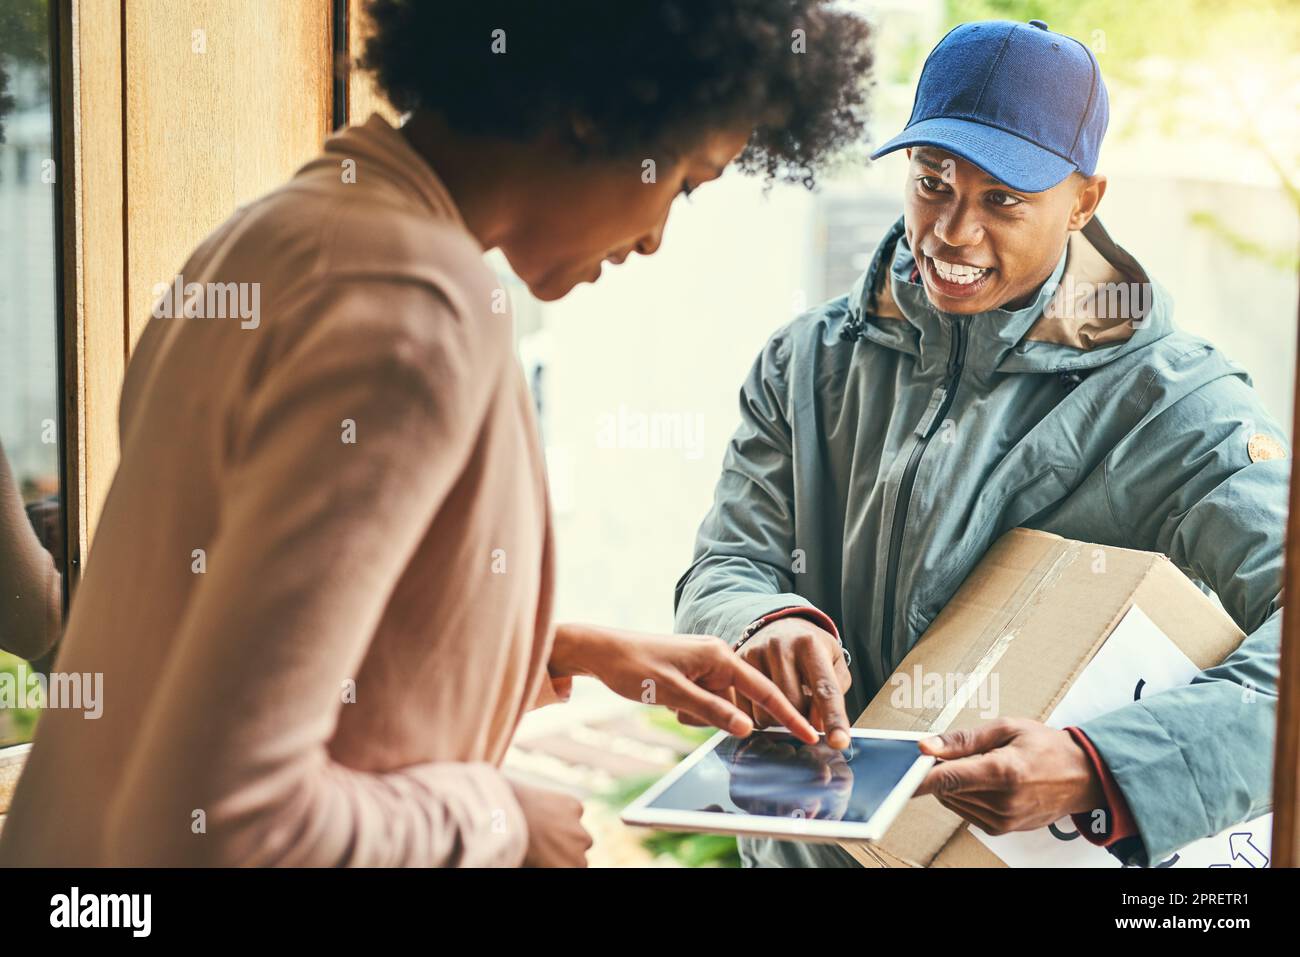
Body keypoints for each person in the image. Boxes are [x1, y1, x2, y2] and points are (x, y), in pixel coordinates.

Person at [0, 0, 873, 867]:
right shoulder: (412, 312)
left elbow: (245, 640)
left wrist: (563, 649)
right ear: (599, 106)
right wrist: (497, 819)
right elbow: (226, 818)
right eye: (682, 181)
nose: (655, 239)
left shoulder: (276, 235)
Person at [675, 19, 1289, 868]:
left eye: (1003, 199)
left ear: (1084, 200)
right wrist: (761, 617)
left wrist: (1102, 766)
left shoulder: (1179, 408)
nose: (952, 233)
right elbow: (727, 561)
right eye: (933, 183)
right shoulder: (806, 361)